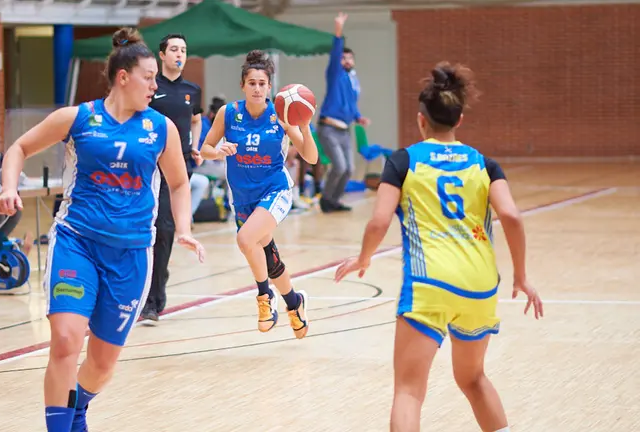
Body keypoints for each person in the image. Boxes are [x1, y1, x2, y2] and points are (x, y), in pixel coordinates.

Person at [0, 28, 205, 432]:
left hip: (131, 253)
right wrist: (9, 187)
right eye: (148, 77)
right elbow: (18, 148)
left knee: (102, 363)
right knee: (66, 340)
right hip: (77, 242)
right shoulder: (79, 118)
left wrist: (183, 228)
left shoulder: (161, 128)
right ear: (123, 77)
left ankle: (78, 406)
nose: (154, 85)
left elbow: (179, 183)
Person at [334, 62, 544, 431]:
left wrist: (364, 258)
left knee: (409, 391)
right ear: (459, 119)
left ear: (421, 120)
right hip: (480, 284)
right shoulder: (485, 164)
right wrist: (522, 276)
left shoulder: (403, 161)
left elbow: (379, 221)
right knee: (474, 379)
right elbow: (512, 216)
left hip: (430, 282)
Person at [200, 50, 317, 338]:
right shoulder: (228, 113)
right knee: (268, 256)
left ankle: (265, 298)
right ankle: (294, 302)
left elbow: (311, 157)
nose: (257, 88)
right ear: (243, 85)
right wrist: (218, 151)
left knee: (244, 239)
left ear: (269, 87)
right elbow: (204, 150)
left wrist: (304, 126)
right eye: (251, 83)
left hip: (274, 191)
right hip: (242, 197)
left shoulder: (280, 116)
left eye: (262, 83)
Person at [142, 33, 203, 321]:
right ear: (162, 55)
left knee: (165, 228)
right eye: (174, 49)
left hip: (179, 166)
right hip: (149, 164)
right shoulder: (152, 87)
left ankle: (154, 298)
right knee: (147, 228)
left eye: (184, 49)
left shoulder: (193, 89)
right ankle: (140, 287)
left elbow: (196, 118)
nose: (180, 54)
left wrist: (196, 146)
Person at [317, 12, 370, 213]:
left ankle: (334, 201)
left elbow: (352, 104)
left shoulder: (353, 82)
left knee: (349, 169)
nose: (347, 60)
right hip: (329, 128)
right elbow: (336, 50)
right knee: (339, 166)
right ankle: (325, 199)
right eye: (343, 58)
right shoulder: (335, 74)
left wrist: (359, 117)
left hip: (345, 130)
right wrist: (338, 30)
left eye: (350, 58)